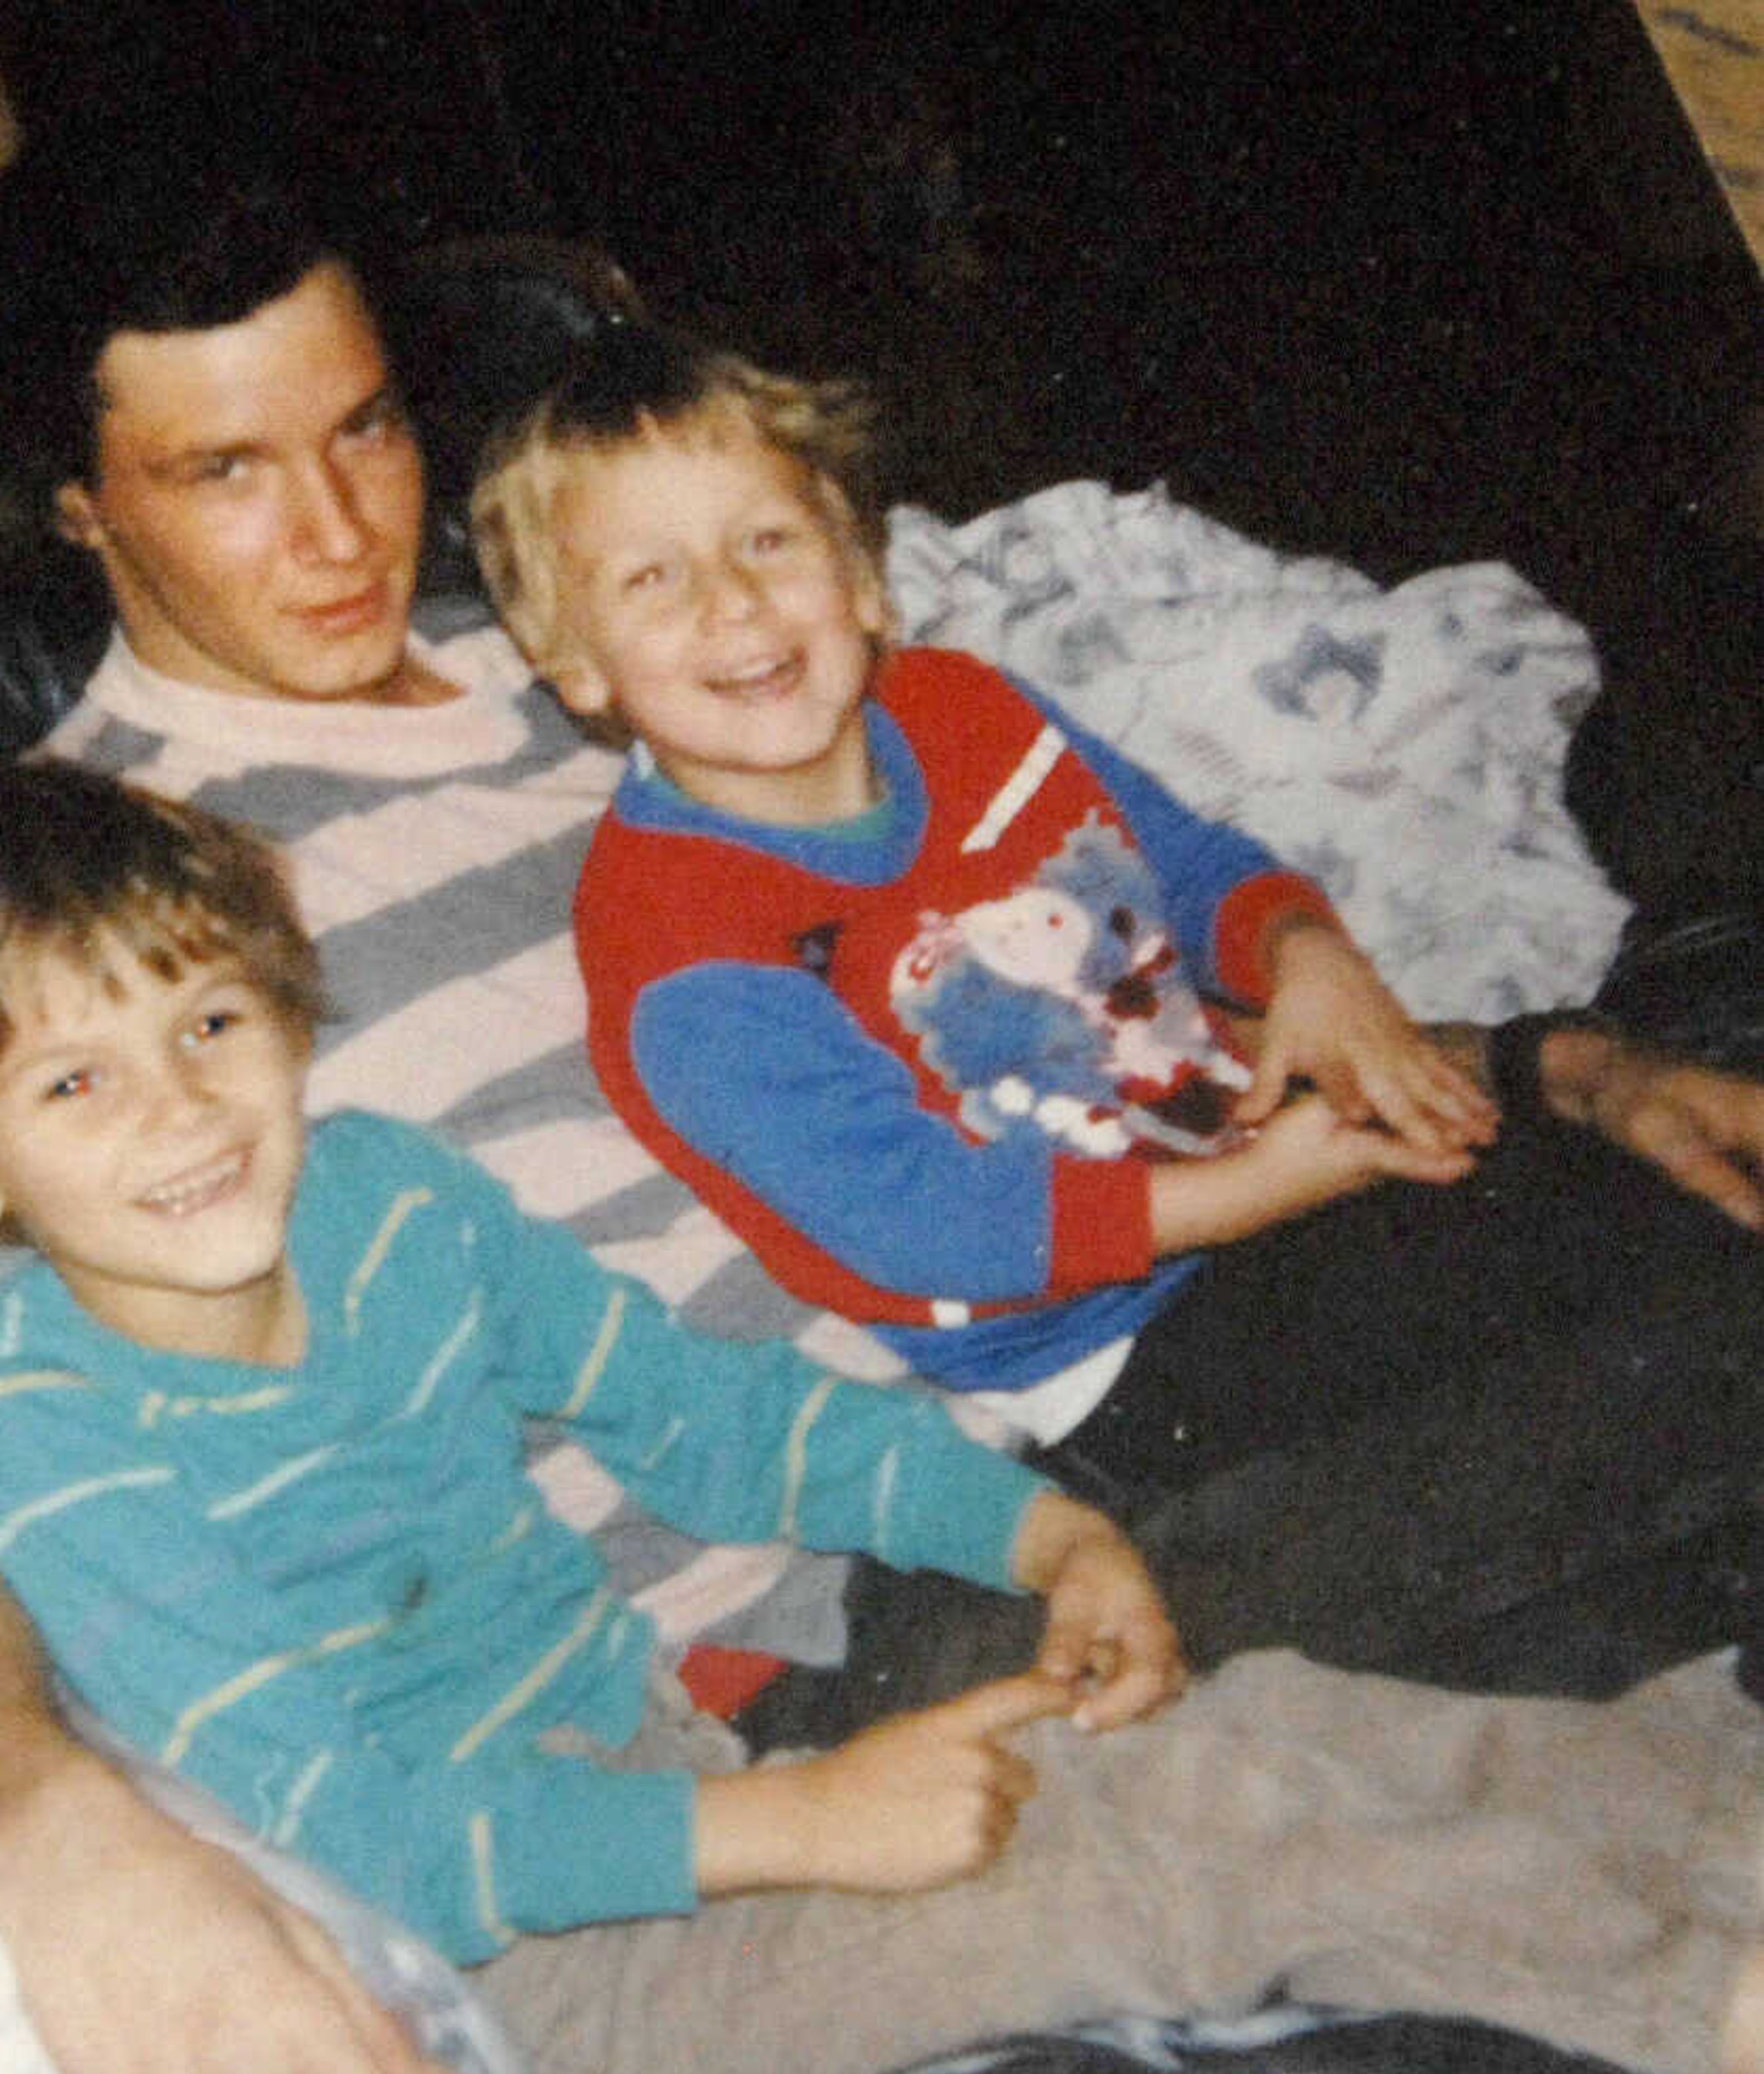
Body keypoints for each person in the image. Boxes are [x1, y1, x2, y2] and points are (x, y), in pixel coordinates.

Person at [0, 135, 1764, 2074]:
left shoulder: (633, 655)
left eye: (364, 429)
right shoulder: (91, 934)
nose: (344, 525)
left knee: (1662, 1242)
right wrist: (48, 1839)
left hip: (1019, 1427)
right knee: (1550, 1489)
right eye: (227, 473)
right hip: (768, 1668)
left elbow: (1095, 989)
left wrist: (1566, 1065)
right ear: (83, 511)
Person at [473, 321, 1764, 1701]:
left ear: (859, 573)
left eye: (767, 544)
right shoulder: (678, 948)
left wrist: (1305, 953)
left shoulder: (965, 710)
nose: (730, 606)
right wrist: (1258, 1189)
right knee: (1595, 1350)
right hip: (1100, 1353)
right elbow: (924, 1222)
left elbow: (1190, 859)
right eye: (652, 581)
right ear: (578, 667)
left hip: (1251, 1166)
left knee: (1646, 1211)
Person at [0, 759, 1182, 1966]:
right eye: (75, 1082)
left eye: (208, 1025)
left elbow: (706, 1417)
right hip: (503, 1963)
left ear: (290, 1018)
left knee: (1237, 1763)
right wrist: (798, 1818)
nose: (180, 1109)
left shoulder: (388, 1200)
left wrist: (1048, 1534)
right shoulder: (39, 1439)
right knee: (1181, 1869)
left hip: (674, 1773)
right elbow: (359, 1845)